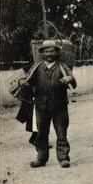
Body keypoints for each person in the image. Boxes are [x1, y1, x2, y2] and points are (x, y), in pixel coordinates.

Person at [17, 40, 77, 168]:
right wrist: (23, 82)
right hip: (41, 106)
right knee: (41, 133)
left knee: (61, 132)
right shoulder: (37, 67)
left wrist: (69, 78)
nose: (49, 54)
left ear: (56, 52)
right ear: (42, 53)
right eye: (46, 51)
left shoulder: (62, 67)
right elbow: (28, 80)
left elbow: (73, 81)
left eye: (52, 51)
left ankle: (63, 158)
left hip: (59, 106)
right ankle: (41, 158)